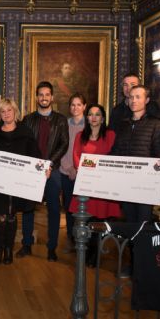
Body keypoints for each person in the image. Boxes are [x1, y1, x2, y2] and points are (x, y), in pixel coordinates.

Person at [0, 99, 39, 265]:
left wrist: (43, 169)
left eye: (9, 110)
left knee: (11, 217)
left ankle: (8, 249)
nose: (6, 114)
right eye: (2, 111)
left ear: (15, 111)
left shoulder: (26, 133)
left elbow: (35, 156)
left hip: (16, 184)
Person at [18, 81, 69, 262]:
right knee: (28, 209)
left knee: (54, 210)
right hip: (32, 171)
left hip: (52, 171)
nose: (44, 98)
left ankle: (52, 248)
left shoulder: (61, 120)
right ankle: (26, 244)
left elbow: (64, 144)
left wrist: (49, 163)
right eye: (41, 94)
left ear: (52, 97)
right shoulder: (28, 120)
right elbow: (23, 145)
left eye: (47, 95)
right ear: (36, 97)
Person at [111, 85, 160, 222]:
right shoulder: (122, 125)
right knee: (129, 221)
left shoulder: (156, 124)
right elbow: (116, 152)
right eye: (130, 97)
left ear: (146, 100)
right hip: (126, 181)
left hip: (146, 183)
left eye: (138, 97)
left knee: (143, 221)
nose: (133, 100)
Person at [70, 104, 121, 219]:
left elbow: (114, 157)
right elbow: (76, 156)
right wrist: (84, 172)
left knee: (104, 218)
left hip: (105, 182)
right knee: (85, 218)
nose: (94, 117)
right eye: (90, 114)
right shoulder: (80, 136)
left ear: (102, 119)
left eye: (97, 115)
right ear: (87, 118)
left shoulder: (111, 135)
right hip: (86, 181)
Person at [59, 93, 86, 253]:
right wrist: (70, 168)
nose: (75, 108)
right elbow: (61, 147)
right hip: (66, 172)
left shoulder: (89, 125)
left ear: (84, 106)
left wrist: (80, 170)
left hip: (84, 175)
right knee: (69, 206)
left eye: (78, 104)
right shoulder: (64, 124)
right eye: (72, 105)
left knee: (83, 207)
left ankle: (82, 238)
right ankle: (70, 237)